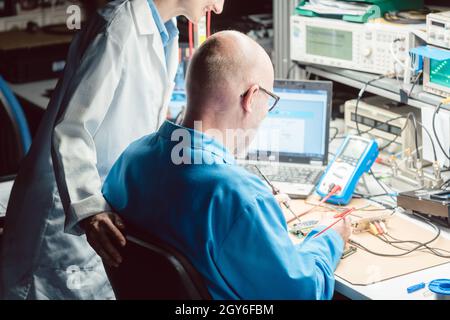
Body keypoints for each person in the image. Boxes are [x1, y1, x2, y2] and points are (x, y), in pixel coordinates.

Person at [102, 31, 352, 299]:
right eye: (270, 102)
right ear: (251, 97)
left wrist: (260, 219)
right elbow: (302, 294)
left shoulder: (131, 159)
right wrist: (329, 237)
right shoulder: (238, 196)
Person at [1, 0, 224, 300]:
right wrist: (89, 209)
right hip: (66, 214)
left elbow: (141, 119)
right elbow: (71, 130)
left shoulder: (165, 33)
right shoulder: (117, 25)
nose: (220, 7)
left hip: (107, 205)